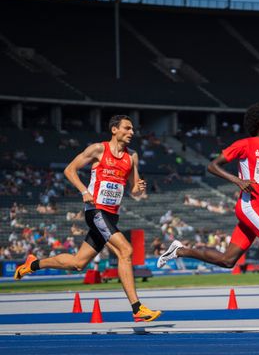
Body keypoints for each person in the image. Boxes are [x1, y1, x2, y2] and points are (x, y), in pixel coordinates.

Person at [157, 103, 259, 320]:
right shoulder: (245, 145)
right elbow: (212, 166)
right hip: (248, 207)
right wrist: (237, 180)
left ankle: (180, 250)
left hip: (257, 209)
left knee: (228, 260)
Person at [13, 115, 161, 322]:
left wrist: (139, 188)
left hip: (111, 215)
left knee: (78, 263)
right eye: (127, 128)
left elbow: (135, 192)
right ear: (114, 130)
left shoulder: (132, 156)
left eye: (133, 129)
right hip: (95, 211)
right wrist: (84, 191)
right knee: (126, 250)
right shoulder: (98, 150)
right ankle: (137, 308)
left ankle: (33, 264)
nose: (132, 132)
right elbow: (69, 170)